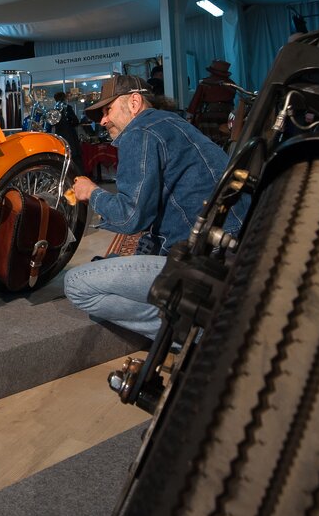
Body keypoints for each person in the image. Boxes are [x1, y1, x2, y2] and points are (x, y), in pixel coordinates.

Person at [62, 74, 246, 339]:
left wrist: (92, 192)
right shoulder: (171, 122)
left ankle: (194, 331)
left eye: (107, 110)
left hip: (204, 261)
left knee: (76, 284)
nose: (103, 121)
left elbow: (129, 217)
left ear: (134, 102)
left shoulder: (139, 132)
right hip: (232, 249)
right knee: (111, 263)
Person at [187, 59, 237, 148]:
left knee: (207, 144)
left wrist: (190, 117)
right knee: (225, 142)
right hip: (226, 116)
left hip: (209, 117)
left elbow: (195, 102)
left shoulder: (205, 83)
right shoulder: (232, 84)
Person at [50, 91, 83, 172]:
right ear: (64, 98)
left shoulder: (54, 110)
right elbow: (75, 121)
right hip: (70, 135)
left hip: (59, 136)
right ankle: (78, 174)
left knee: (63, 156)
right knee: (75, 157)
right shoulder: (67, 108)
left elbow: (51, 125)